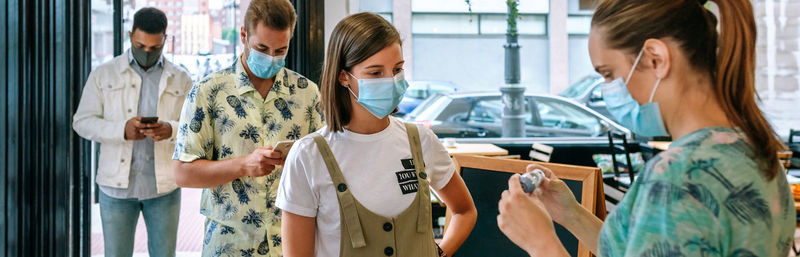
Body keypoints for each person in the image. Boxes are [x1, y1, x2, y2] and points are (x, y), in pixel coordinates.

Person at [496, 0, 795, 256]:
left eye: (609, 74)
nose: (608, 90)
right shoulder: (758, 153)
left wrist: (541, 244)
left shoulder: (676, 178)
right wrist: (571, 215)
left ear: (656, 59)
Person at [277, 12, 477, 257]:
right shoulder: (308, 156)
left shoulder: (420, 140)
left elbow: (464, 210)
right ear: (343, 77)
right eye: (375, 73)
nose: (391, 81)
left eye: (397, 69)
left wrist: (440, 253)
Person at [172, 0, 323, 256]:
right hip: (229, 244)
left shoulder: (307, 93)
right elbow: (182, 173)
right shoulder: (208, 92)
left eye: (280, 50)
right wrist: (243, 165)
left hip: (290, 241)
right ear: (244, 34)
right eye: (262, 48)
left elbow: (323, 167)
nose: (271, 57)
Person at [73, 7, 191, 257]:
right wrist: (122, 130)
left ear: (165, 40)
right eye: (140, 46)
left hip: (163, 188)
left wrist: (170, 129)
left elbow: (195, 129)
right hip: (115, 189)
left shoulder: (181, 78)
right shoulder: (104, 73)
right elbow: (82, 122)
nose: (146, 52)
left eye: (154, 48)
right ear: (130, 36)